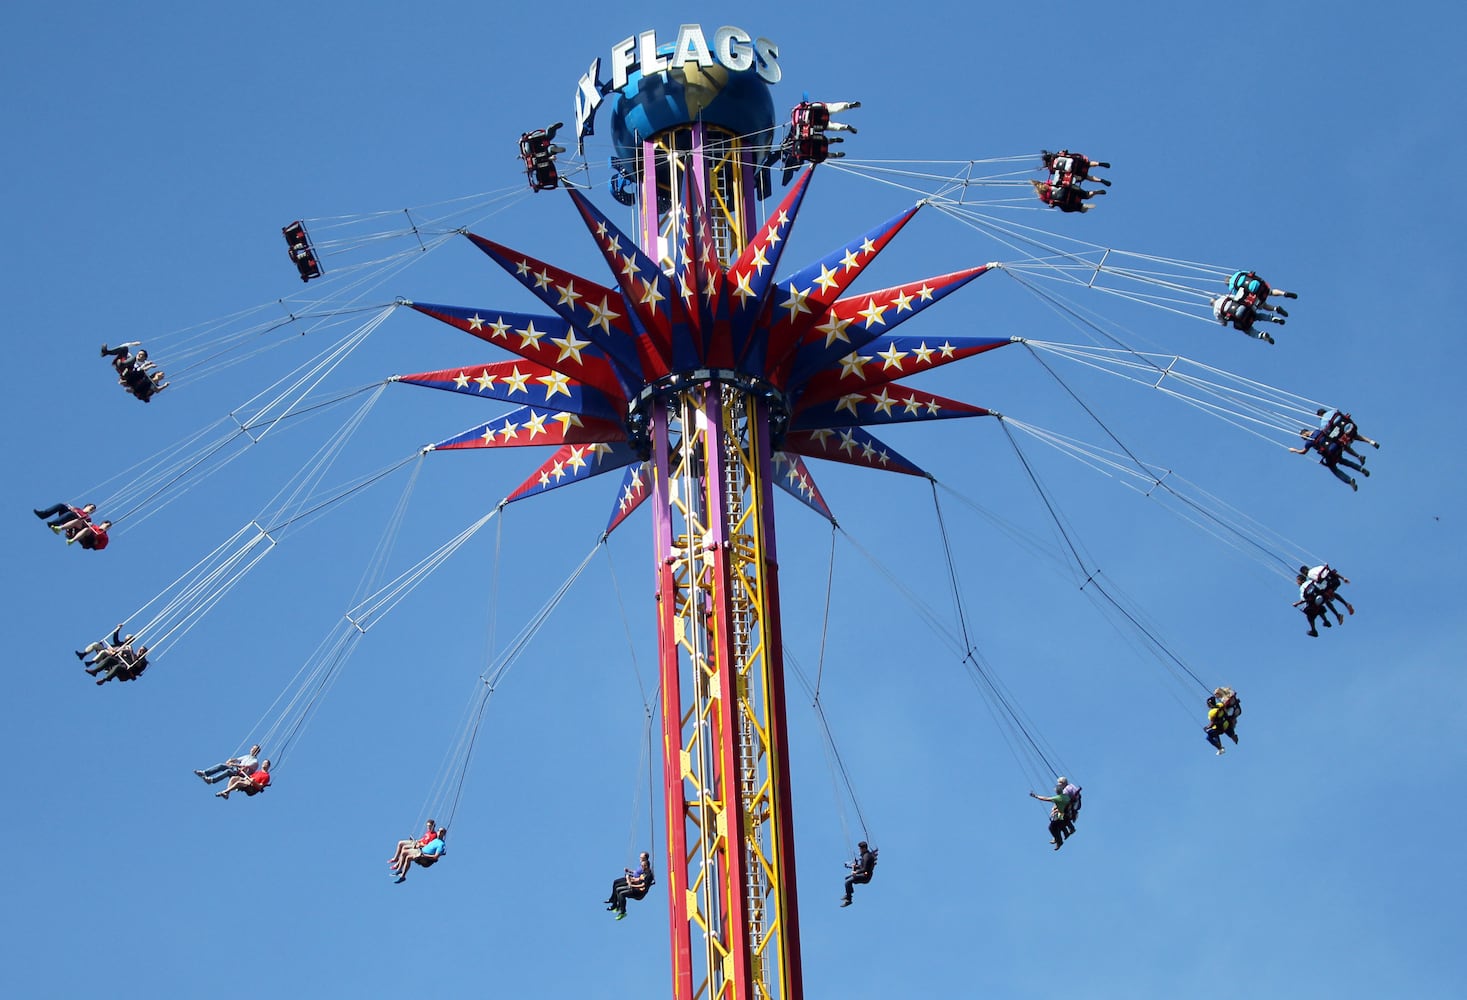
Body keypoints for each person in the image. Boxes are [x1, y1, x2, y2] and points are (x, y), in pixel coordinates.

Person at [1212, 294, 1283, 344]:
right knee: (1257, 316)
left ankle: (1261, 335)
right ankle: (1272, 318)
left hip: (1239, 318)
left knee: (1248, 330)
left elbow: (1223, 323)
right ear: (1216, 299)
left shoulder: (1215, 311)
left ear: (1212, 305)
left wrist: (1224, 322)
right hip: (1244, 309)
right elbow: (1236, 298)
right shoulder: (1223, 297)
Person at [606, 851, 654, 918]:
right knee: (617, 889)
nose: (642, 867)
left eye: (643, 866)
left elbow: (643, 885)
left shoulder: (648, 875)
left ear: (646, 866)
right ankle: (617, 905)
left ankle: (622, 912)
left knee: (621, 893)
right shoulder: (644, 873)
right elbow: (638, 879)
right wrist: (630, 877)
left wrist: (631, 884)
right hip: (635, 887)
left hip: (639, 892)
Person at [1029, 784, 1072, 850]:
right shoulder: (1066, 797)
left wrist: (1036, 796)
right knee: (1058, 825)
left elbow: (1045, 799)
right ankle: (1063, 834)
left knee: (1051, 828)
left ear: (1057, 792)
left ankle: (1059, 841)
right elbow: (1068, 805)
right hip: (1065, 815)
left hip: (1060, 817)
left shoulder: (1057, 798)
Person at [195, 745, 263, 785]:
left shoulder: (255, 761)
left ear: (257, 752)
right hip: (236, 769)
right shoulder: (247, 756)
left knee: (228, 771)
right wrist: (231, 760)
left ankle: (212, 780)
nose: (252, 750)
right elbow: (237, 759)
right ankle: (205, 773)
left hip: (241, 774)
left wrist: (233, 764)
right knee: (221, 765)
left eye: (254, 749)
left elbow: (244, 767)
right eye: (252, 748)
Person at [1041, 149, 1111, 187]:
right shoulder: (1057, 155)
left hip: (1073, 171)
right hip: (1075, 162)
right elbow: (1068, 153)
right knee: (1088, 164)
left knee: (1086, 177)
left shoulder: (1051, 169)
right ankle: (1099, 164)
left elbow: (1058, 175)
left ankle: (1101, 180)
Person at [1227, 270, 1297, 307]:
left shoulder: (1231, 287)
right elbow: (1249, 273)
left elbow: (1240, 295)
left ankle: (1275, 309)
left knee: (1262, 305)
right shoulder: (1238, 273)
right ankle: (1284, 293)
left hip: (1254, 291)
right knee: (1271, 292)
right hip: (1258, 283)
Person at [839, 841, 878, 907]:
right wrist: (853, 866)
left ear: (864, 849)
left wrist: (856, 872)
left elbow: (865, 869)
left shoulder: (867, 856)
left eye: (860, 849)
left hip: (865, 876)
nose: (859, 850)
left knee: (847, 882)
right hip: (864, 874)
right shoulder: (865, 855)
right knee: (847, 878)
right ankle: (848, 893)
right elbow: (861, 866)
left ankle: (849, 900)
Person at [1031, 178, 1103, 213]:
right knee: (1073, 187)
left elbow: (1050, 203)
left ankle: (1082, 207)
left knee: (1066, 208)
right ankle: (1092, 193)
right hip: (1068, 191)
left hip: (1064, 201)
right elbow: (1057, 182)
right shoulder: (1048, 183)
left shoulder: (1042, 197)